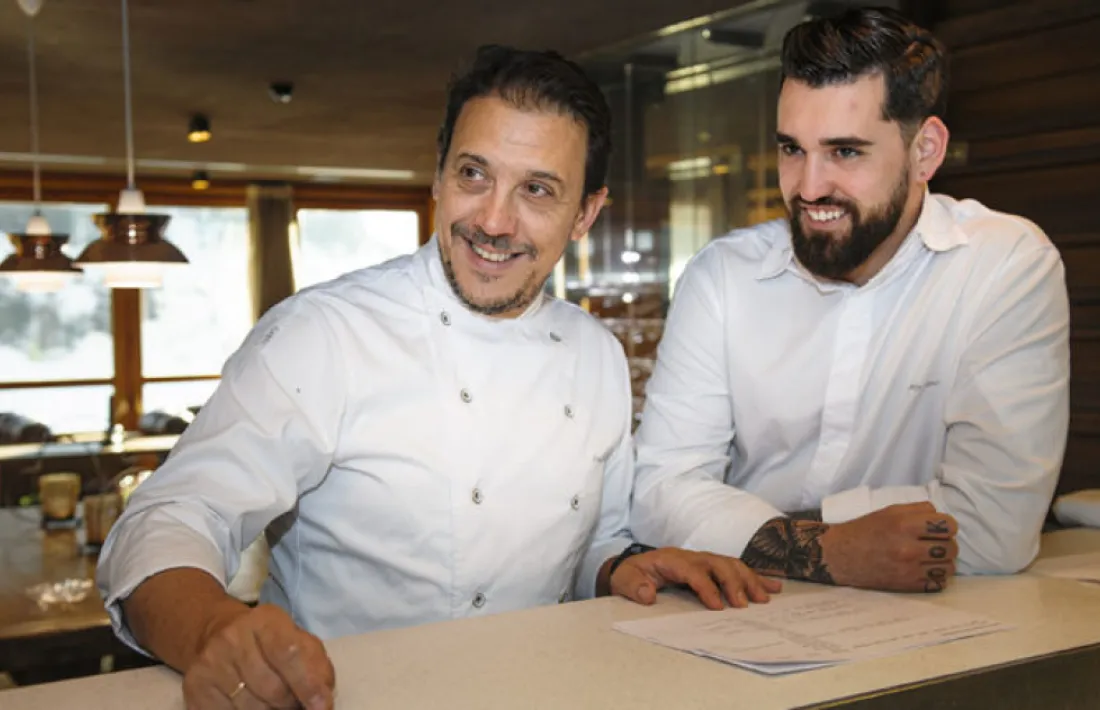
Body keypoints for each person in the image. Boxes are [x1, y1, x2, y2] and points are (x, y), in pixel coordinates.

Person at [97, 45, 778, 710]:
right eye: (473, 174)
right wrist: (213, 630)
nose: (493, 221)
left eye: (537, 190)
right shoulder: (324, 333)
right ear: (437, 175)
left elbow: (589, 539)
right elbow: (171, 515)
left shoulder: (595, 353)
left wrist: (620, 565)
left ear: (585, 215)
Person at [631, 7, 1070, 596]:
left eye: (845, 152)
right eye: (792, 149)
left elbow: (996, 529)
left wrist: (741, 525)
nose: (809, 187)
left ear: (925, 151)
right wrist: (836, 549)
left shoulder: (1005, 266)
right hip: (739, 611)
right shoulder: (722, 277)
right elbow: (660, 491)